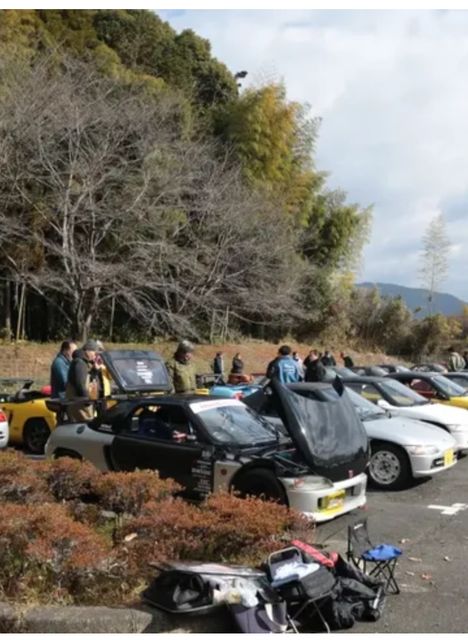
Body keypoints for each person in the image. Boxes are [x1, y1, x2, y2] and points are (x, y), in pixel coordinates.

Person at [65, 339, 99, 422]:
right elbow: (80, 385)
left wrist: (95, 370)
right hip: (79, 405)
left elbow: (88, 380)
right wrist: (87, 401)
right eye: (94, 353)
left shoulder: (83, 362)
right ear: (88, 351)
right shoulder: (80, 363)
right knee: (84, 426)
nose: (95, 355)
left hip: (80, 403)